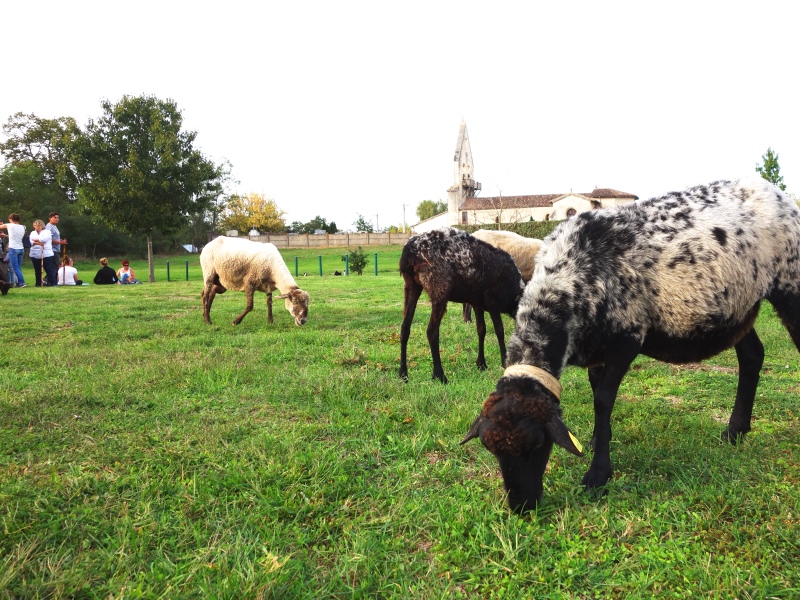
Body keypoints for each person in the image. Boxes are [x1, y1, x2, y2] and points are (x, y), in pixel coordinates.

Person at [0, 213, 27, 287]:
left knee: (15, 267)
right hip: (21, 249)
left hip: (13, 249)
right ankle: (19, 282)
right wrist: (6, 236)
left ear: (11, 219)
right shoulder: (23, 227)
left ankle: (22, 282)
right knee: (18, 267)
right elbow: (16, 236)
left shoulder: (9, 225)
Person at [29, 219, 56, 287]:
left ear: (41, 226)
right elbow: (31, 241)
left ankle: (53, 283)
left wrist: (36, 241)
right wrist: (38, 242)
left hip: (46, 253)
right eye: (34, 225)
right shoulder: (32, 232)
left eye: (37, 225)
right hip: (35, 253)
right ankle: (38, 283)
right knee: (37, 270)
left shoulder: (47, 232)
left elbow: (43, 240)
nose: (36, 227)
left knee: (48, 268)